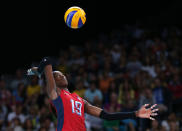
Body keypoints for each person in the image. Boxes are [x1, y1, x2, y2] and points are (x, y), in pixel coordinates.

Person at [27, 57, 159, 131]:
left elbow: (107, 116)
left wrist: (135, 114)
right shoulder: (55, 93)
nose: (62, 76)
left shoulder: (79, 99)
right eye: (58, 75)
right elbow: (47, 62)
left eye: (62, 74)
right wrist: (39, 72)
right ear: (53, 80)